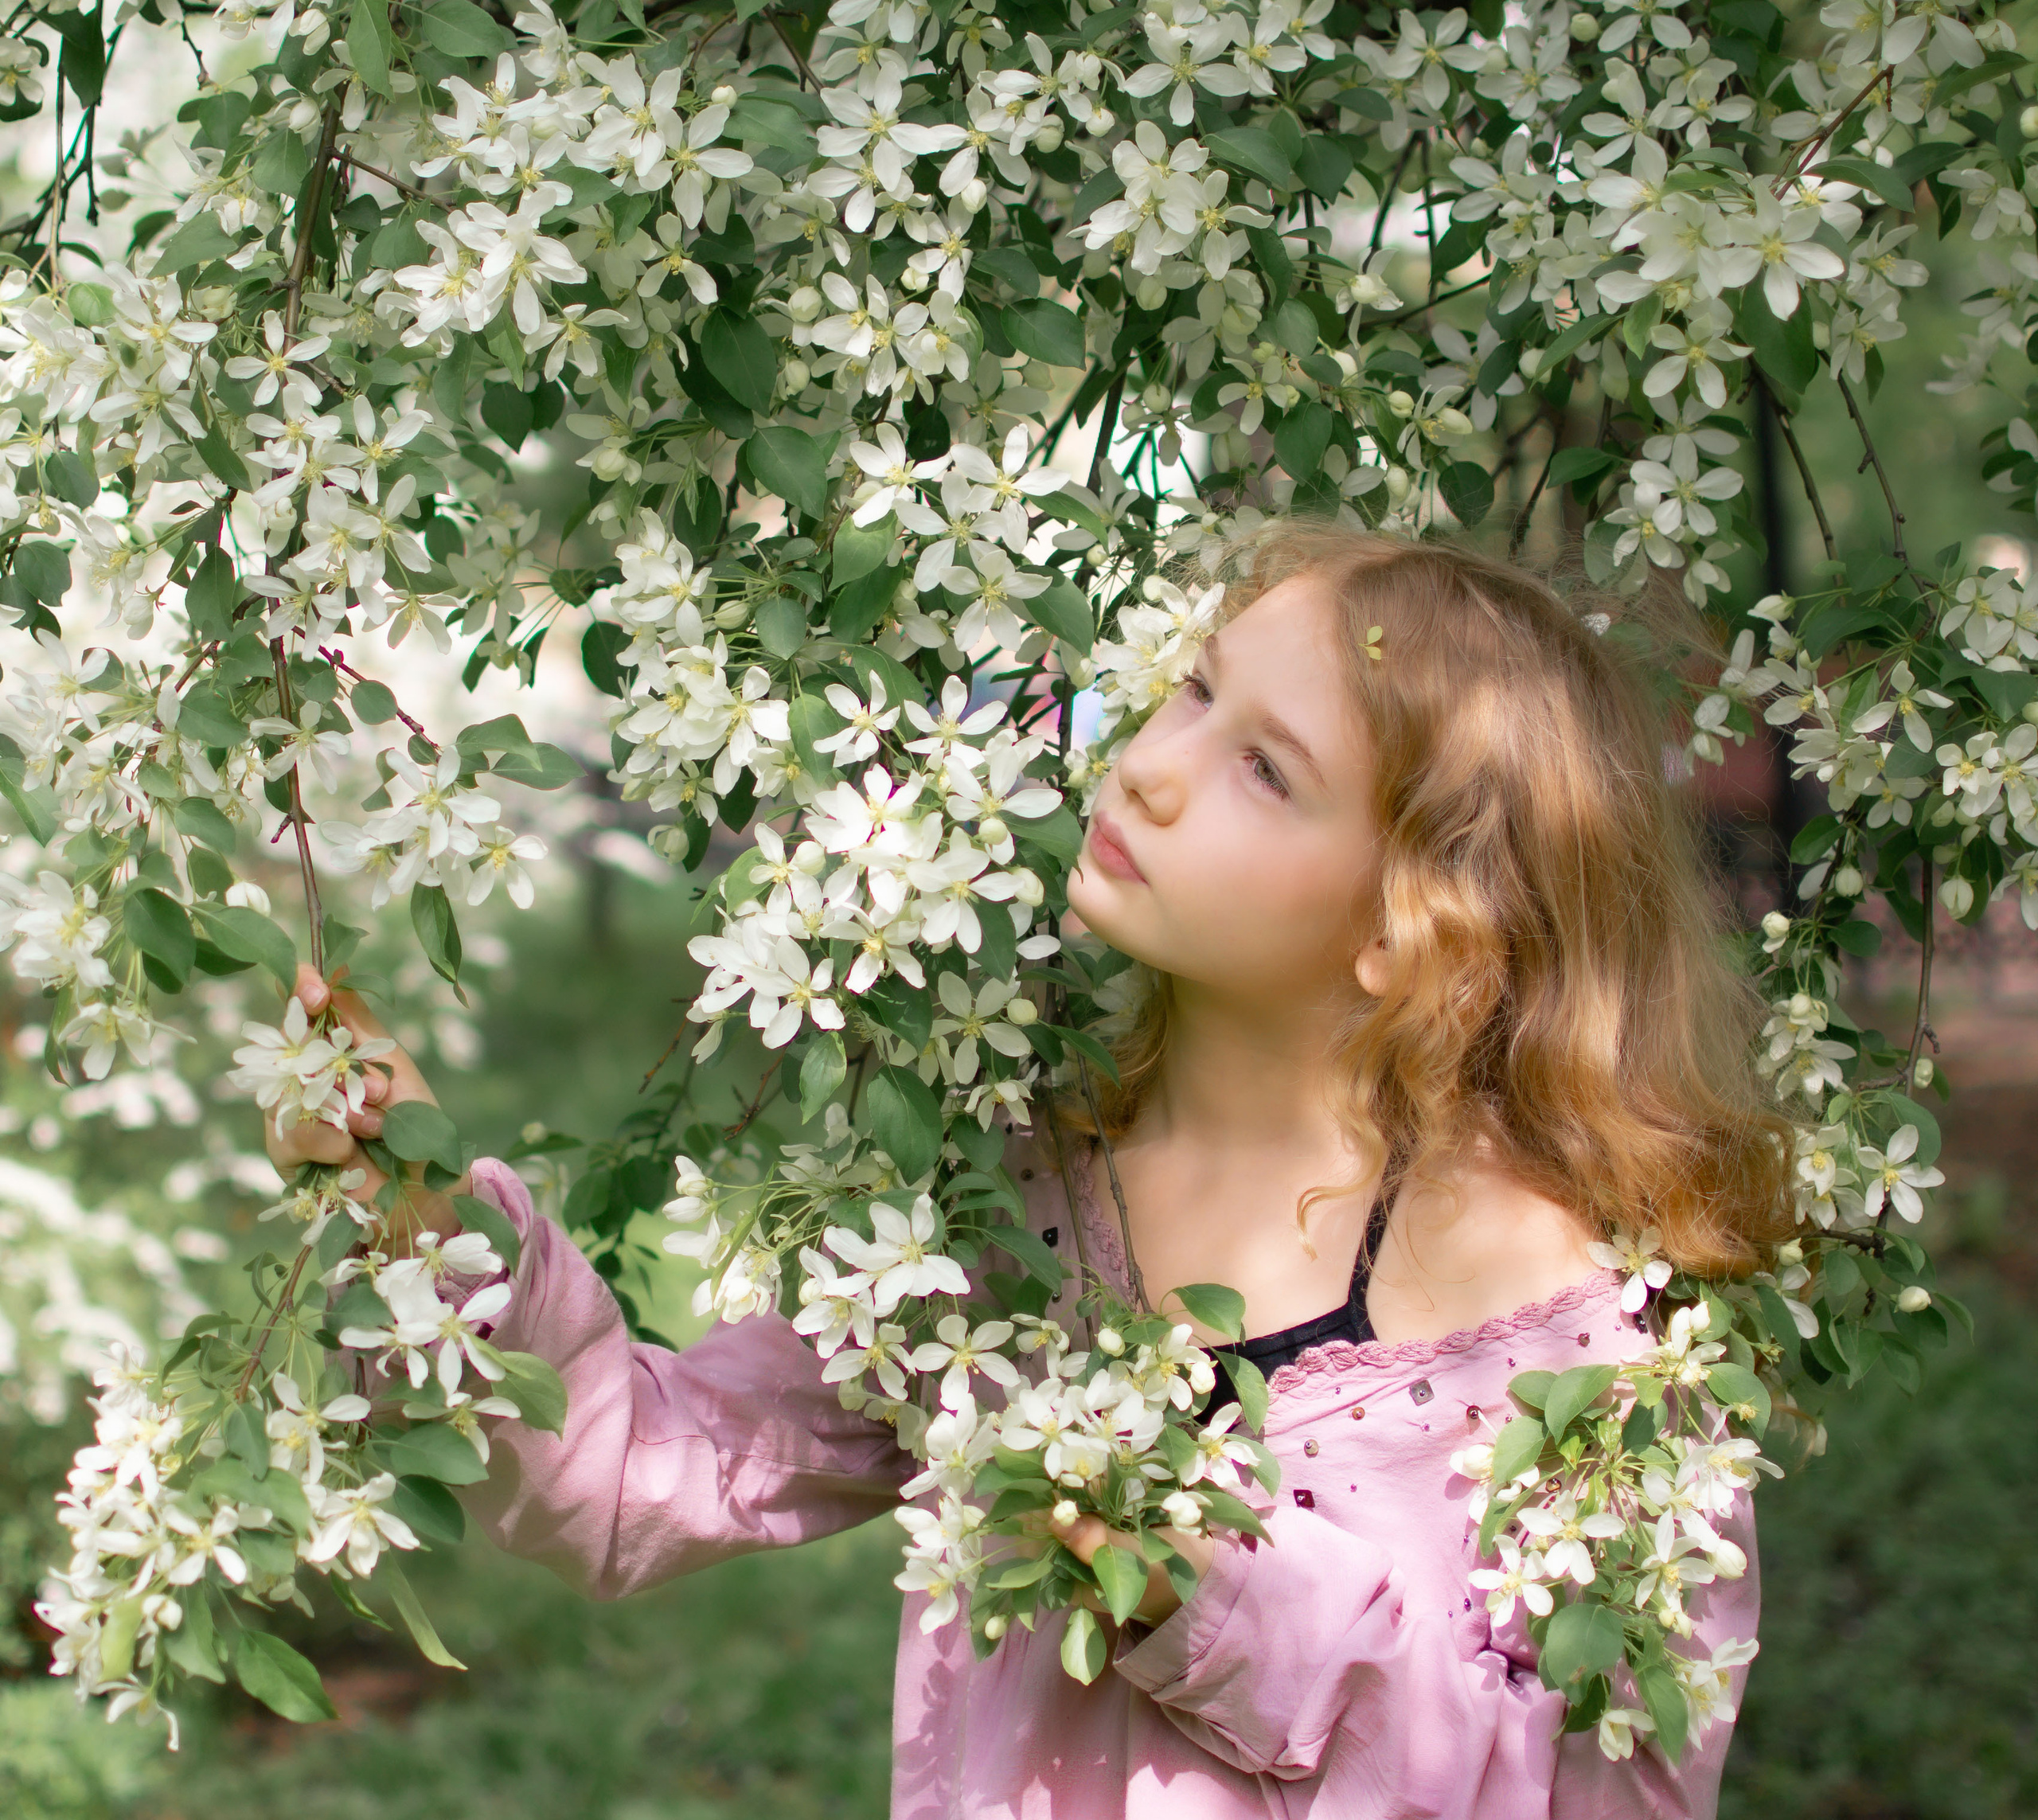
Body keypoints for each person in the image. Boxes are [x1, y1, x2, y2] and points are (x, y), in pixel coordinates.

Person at [266, 522, 1789, 1818]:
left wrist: (1217, 1595)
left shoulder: (1584, 1346)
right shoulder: (1011, 1218)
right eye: (1195, 689)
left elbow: (1611, 1788)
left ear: (1410, 923)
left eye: (1265, 769)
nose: (1157, 769)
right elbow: (635, 1476)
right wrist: (427, 1229)